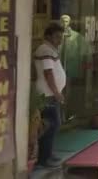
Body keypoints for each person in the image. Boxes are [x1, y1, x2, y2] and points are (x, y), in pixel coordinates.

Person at [34, 23, 67, 168]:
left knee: (52, 124)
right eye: (57, 37)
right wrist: (56, 92)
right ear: (48, 36)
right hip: (47, 94)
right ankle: (44, 158)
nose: (60, 40)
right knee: (51, 124)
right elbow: (48, 73)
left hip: (50, 93)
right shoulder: (45, 49)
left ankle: (48, 154)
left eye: (61, 37)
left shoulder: (50, 49)